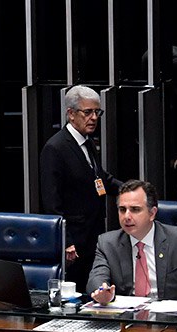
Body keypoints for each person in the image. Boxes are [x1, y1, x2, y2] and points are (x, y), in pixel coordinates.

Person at [40, 85, 122, 291]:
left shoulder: (87, 142)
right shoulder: (55, 148)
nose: (94, 117)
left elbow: (100, 178)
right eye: (88, 112)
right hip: (74, 240)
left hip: (93, 233)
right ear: (71, 114)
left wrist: (130, 190)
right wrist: (65, 241)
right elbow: (51, 202)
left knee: (92, 287)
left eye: (97, 112)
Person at [88, 179, 177, 303]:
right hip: (126, 319)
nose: (127, 216)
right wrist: (102, 291)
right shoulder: (107, 243)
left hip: (171, 318)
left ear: (152, 213)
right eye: (122, 209)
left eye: (135, 209)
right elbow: (97, 277)